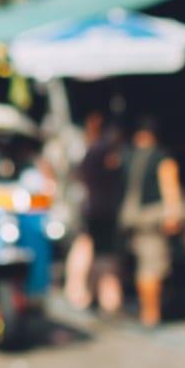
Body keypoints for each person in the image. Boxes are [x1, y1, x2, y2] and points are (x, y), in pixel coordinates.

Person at [118, 115, 185, 327]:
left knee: (148, 263)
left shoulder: (125, 156)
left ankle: (149, 314)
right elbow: (170, 183)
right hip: (158, 212)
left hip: (134, 218)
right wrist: (173, 212)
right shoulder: (161, 156)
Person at [65, 112, 124, 315]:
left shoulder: (88, 151)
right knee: (100, 253)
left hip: (91, 208)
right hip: (102, 209)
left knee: (92, 250)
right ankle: (103, 297)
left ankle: (88, 293)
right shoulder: (103, 150)